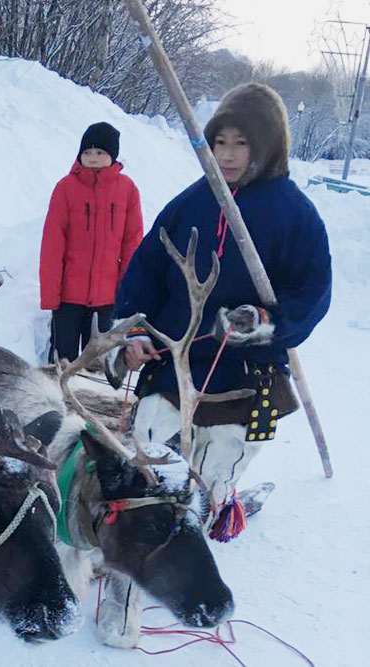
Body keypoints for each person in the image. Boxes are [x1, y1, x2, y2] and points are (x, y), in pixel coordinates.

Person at [109, 83, 332, 538]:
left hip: (246, 367)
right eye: (219, 142)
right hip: (175, 353)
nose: (227, 155)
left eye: (242, 143)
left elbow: (313, 291)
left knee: (219, 462)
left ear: (267, 145)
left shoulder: (295, 213)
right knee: (147, 444)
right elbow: (145, 270)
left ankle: (211, 511)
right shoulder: (191, 201)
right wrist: (134, 330)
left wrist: (267, 321)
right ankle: (141, 529)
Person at [39, 121, 144, 364]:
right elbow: (53, 244)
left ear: (112, 156)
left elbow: (132, 243)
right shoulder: (65, 188)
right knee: (61, 361)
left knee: (96, 363)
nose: (93, 158)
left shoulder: (127, 190)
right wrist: (51, 295)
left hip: (106, 297)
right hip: (68, 297)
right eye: (87, 152)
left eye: (100, 153)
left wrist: (125, 292)